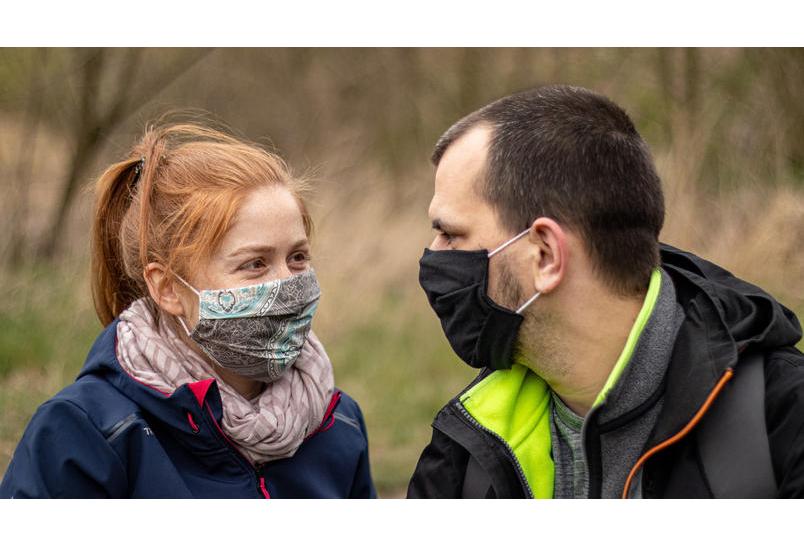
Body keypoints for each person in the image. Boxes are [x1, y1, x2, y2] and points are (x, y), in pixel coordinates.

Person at [407, 85, 804, 499]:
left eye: (450, 234)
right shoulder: (469, 446)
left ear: (545, 255)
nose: (433, 257)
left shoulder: (780, 422)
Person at [0, 122, 375, 498]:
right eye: (255, 264)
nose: (288, 284)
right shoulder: (90, 432)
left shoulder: (338, 423)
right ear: (167, 288)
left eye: (297, 258)